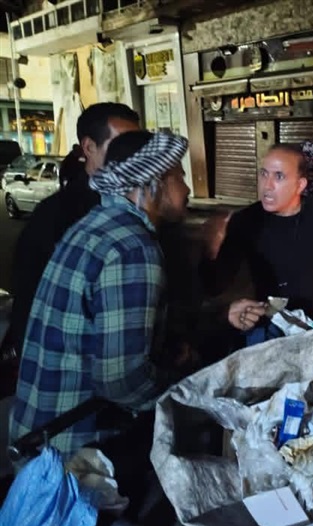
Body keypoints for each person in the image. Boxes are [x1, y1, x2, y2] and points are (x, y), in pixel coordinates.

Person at [9, 130, 190, 459]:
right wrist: (186, 391)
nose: (187, 189)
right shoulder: (132, 248)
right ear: (154, 182)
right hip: (78, 452)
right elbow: (121, 380)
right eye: (179, 176)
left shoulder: (94, 225)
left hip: (39, 432)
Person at [3, 103, 200, 373]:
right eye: (179, 177)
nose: (131, 150)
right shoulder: (124, 242)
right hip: (80, 391)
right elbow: (119, 378)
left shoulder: (106, 219)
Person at [199, 144, 313, 349]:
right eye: (263, 174)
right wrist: (210, 249)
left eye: (279, 176)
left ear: (300, 185)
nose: (267, 185)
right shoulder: (246, 221)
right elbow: (215, 285)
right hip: (271, 328)